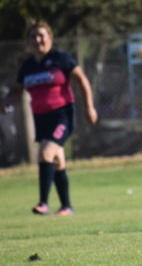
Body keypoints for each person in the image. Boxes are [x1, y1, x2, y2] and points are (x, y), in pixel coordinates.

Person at [6, 20, 98, 215]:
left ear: (50, 38)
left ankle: (43, 203)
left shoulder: (60, 58)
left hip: (61, 116)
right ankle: (67, 206)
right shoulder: (28, 65)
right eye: (33, 36)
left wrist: (89, 107)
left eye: (41, 35)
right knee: (57, 160)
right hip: (40, 118)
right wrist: (6, 102)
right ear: (29, 40)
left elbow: (82, 80)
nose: (38, 40)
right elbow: (17, 89)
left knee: (45, 154)